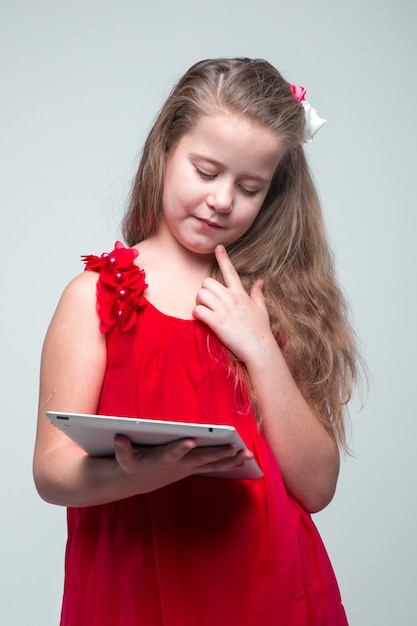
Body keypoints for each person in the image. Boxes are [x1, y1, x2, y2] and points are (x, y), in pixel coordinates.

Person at [33, 58, 360, 625]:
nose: (221, 201)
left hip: (268, 590)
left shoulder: (269, 305)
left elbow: (316, 486)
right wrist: (137, 475)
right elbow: (51, 472)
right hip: (134, 585)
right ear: (165, 151)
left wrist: (259, 347)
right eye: (206, 172)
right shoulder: (95, 298)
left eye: (249, 187)